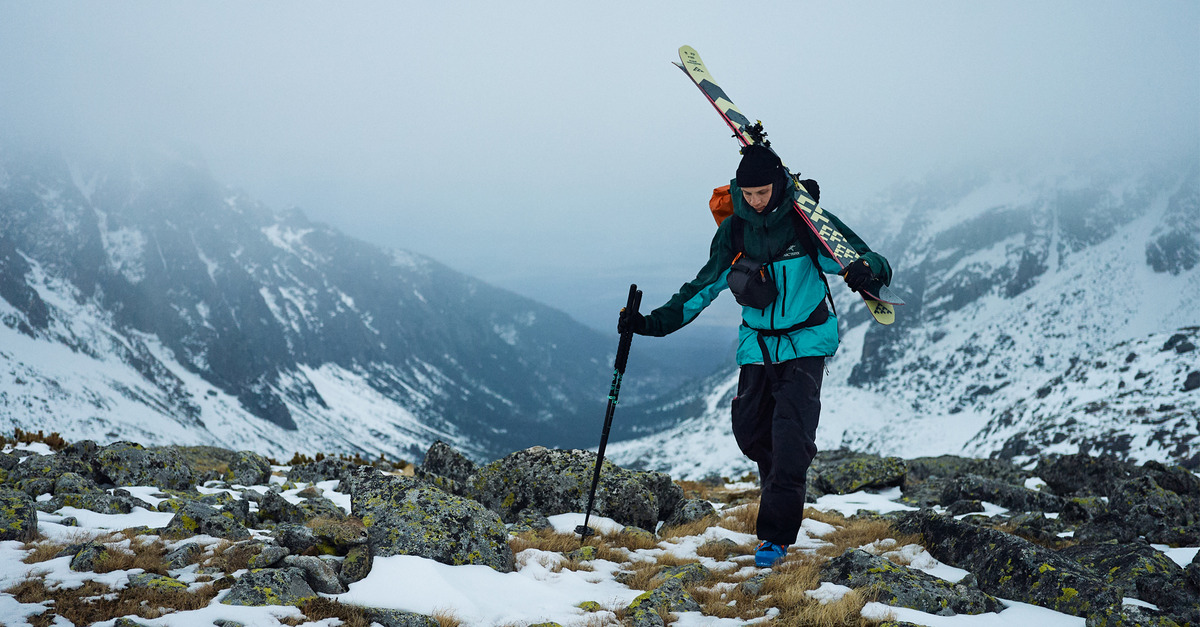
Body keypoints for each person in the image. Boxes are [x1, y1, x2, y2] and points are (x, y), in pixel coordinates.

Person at [618, 145, 891, 568]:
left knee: (788, 442)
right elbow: (701, 288)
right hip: (758, 345)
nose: (756, 201)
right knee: (750, 434)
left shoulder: (806, 222)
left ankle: (775, 537)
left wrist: (866, 270)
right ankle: (785, 466)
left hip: (806, 342)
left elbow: (862, 255)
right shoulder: (736, 230)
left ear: (778, 185)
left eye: (762, 192)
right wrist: (649, 323)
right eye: (748, 194)